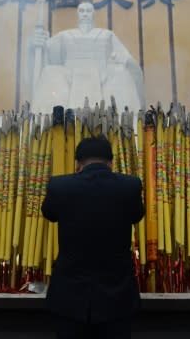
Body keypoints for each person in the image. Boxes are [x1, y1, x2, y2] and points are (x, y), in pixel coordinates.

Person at [41, 136, 145, 339]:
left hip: (70, 299)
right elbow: (137, 215)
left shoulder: (60, 187)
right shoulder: (130, 186)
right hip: (117, 298)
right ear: (110, 162)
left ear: (78, 163)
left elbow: (49, 214)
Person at [28, 0, 145, 114]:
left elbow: (126, 59)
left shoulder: (106, 35)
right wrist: (37, 44)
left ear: (93, 14)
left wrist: (123, 62)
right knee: (49, 72)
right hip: (70, 77)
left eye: (88, 11)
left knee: (122, 73)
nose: (85, 14)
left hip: (102, 77)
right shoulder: (65, 35)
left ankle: (127, 117)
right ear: (78, 14)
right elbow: (47, 55)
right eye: (81, 11)